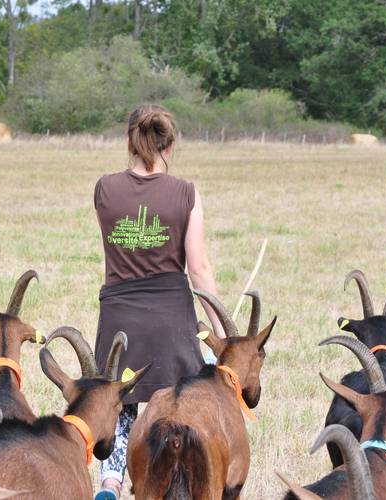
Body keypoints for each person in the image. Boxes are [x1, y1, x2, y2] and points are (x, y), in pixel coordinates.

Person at [92, 104, 225, 500]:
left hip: (119, 316)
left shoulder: (104, 189)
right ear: (170, 145)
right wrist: (221, 334)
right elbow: (198, 268)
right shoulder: (186, 193)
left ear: (128, 142)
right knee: (178, 404)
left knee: (121, 403)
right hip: (171, 318)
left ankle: (112, 481)